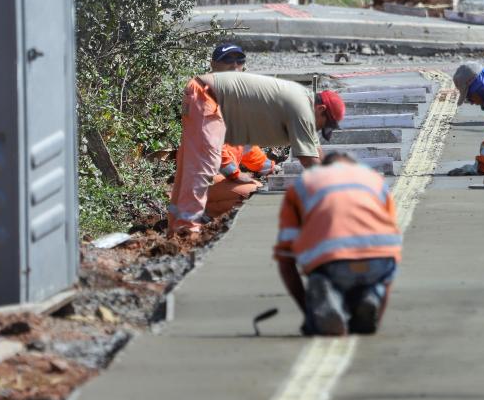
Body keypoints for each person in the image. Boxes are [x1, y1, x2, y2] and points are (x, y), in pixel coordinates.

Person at [167, 71, 345, 235]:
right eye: (323, 124)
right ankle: (187, 231)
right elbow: (309, 161)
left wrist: (271, 168)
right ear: (321, 109)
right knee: (211, 172)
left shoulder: (303, 102)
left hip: (203, 94)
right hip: (206, 97)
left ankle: (175, 229)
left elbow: (315, 152)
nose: (319, 129)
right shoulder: (301, 109)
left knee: (190, 169)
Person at [273, 152, 401, 335]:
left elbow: (285, 257)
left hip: (331, 263)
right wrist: (377, 320)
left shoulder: (303, 184)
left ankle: (326, 298)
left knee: (326, 279)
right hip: (380, 261)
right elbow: (391, 241)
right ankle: (373, 294)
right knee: (375, 280)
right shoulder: (375, 180)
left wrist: (309, 313)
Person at [203, 43, 279, 218]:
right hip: (205, 180)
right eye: (228, 60)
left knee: (259, 194)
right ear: (213, 65)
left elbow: (245, 147)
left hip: (219, 179)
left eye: (239, 60)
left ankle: (206, 213)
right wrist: (235, 174)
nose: (234, 65)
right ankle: (199, 213)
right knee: (256, 194)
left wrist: (270, 168)